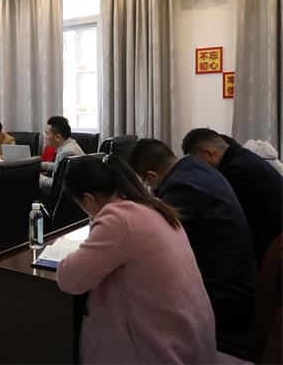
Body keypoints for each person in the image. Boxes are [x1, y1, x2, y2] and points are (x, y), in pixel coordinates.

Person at [57, 155, 217, 363]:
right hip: (192, 336)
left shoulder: (119, 219)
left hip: (163, 347)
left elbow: (70, 280)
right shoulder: (152, 206)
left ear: (88, 198)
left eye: (79, 203)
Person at [127, 138, 256, 339]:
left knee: (134, 293)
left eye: (145, 182)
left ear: (151, 176)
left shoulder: (180, 186)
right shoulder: (196, 166)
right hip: (240, 280)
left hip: (223, 296)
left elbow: (158, 239)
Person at [182, 128, 283, 267]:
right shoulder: (243, 157)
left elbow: (226, 218)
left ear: (209, 153)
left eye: (199, 164)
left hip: (269, 252)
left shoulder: (235, 171)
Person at [39, 116, 84, 191]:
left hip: (64, 195)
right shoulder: (69, 145)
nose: (45, 137)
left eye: (47, 134)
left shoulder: (67, 153)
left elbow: (57, 185)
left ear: (57, 137)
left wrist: (37, 178)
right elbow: (59, 167)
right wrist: (38, 165)